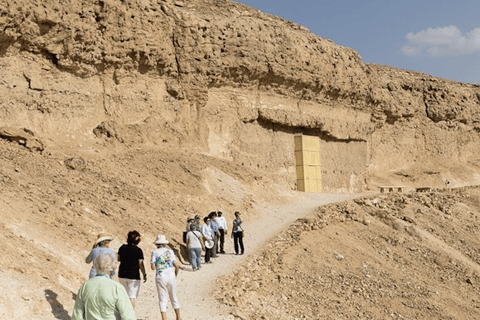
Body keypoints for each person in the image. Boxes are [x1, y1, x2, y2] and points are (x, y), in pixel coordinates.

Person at [72, 253, 136, 320]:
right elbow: (128, 316)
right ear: (111, 268)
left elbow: (77, 315)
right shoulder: (117, 288)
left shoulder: (85, 286)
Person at [151, 234, 182, 320]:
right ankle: (178, 317)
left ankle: (164, 318)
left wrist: (158, 264)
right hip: (170, 275)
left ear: (157, 244)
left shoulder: (154, 252)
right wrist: (175, 275)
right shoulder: (170, 251)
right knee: (174, 297)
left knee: (162, 298)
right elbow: (177, 266)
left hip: (160, 276)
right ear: (164, 244)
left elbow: (153, 267)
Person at [117, 230, 147, 310]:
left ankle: (123, 314)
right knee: (132, 296)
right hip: (134, 276)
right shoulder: (138, 250)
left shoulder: (122, 248)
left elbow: (118, 259)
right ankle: (131, 315)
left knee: (123, 295)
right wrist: (144, 274)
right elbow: (141, 264)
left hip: (122, 275)